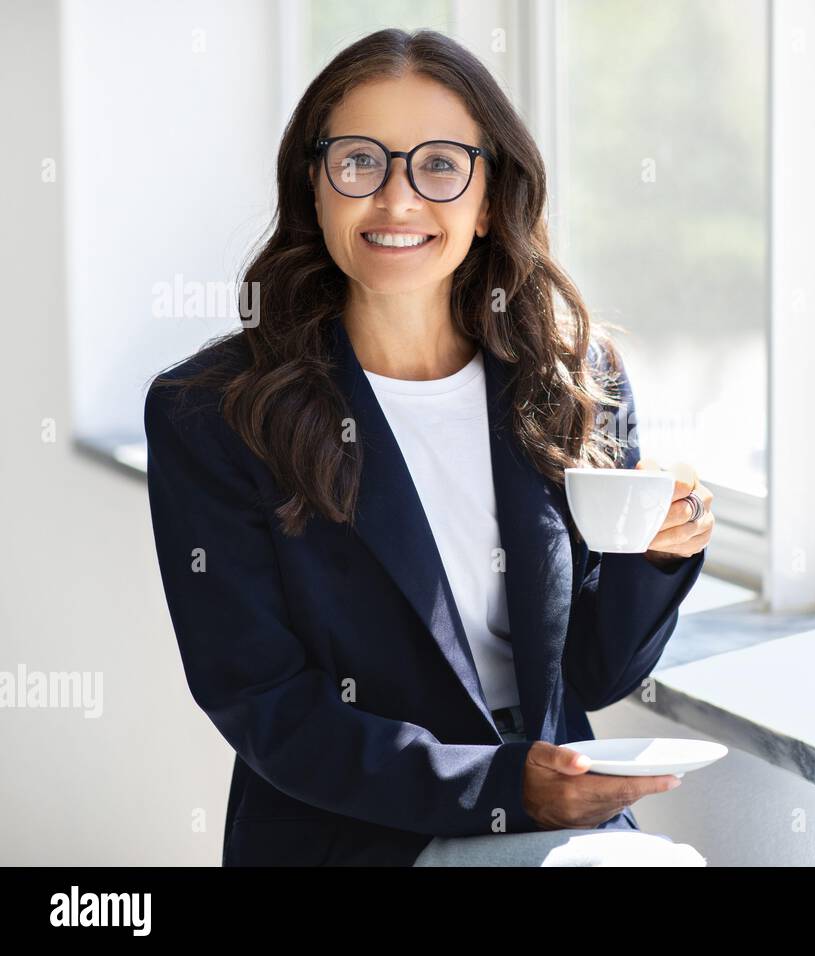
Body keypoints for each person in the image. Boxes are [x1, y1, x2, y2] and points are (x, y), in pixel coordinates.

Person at [143, 28, 713, 866]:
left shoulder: (574, 379)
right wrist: (501, 784)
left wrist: (658, 556)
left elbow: (592, 676)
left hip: (557, 821)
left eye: (440, 165)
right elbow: (265, 704)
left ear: (489, 199)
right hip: (357, 835)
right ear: (316, 186)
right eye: (361, 162)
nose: (399, 200)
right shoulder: (214, 413)